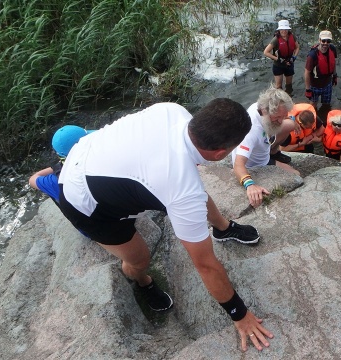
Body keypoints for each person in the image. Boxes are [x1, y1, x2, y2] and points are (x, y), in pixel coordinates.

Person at [57, 99, 272, 352]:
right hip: (83, 199)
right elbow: (205, 264)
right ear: (220, 154)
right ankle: (142, 281)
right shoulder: (181, 188)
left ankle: (223, 229)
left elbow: (187, 187)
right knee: (139, 258)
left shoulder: (171, 110)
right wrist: (240, 314)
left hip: (91, 154)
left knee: (191, 192)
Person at [232, 87, 298, 208]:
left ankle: (273, 150)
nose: (280, 121)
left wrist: (290, 119)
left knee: (291, 124)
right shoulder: (251, 131)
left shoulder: (260, 106)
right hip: (256, 164)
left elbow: (282, 119)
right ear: (265, 110)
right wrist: (250, 185)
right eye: (277, 117)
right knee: (296, 174)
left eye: (283, 116)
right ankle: (272, 154)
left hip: (263, 148)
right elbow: (238, 164)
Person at [29, 125, 95, 204]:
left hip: (83, 214)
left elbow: (32, 180)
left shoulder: (56, 181)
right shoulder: (102, 159)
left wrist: (58, 167)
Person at [263, 20, 300, 91]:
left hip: (289, 63)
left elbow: (297, 47)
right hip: (278, 65)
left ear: (288, 29)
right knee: (279, 87)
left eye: (286, 29)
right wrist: (277, 59)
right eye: (282, 29)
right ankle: (279, 101)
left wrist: (294, 56)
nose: (284, 31)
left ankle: (289, 97)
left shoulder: (292, 37)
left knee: (289, 84)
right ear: (279, 30)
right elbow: (266, 52)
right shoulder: (276, 39)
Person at [304, 30, 338, 107]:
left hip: (328, 84)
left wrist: (335, 75)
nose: (325, 43)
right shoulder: (312, 55)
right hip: (315, 86)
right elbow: (307, 72)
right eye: (323, 41)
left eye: (328, 41)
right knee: (313, 106)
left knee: (326, 105)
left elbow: (333, 63)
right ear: (319, 40)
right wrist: (308, 89)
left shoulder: (332, 49)